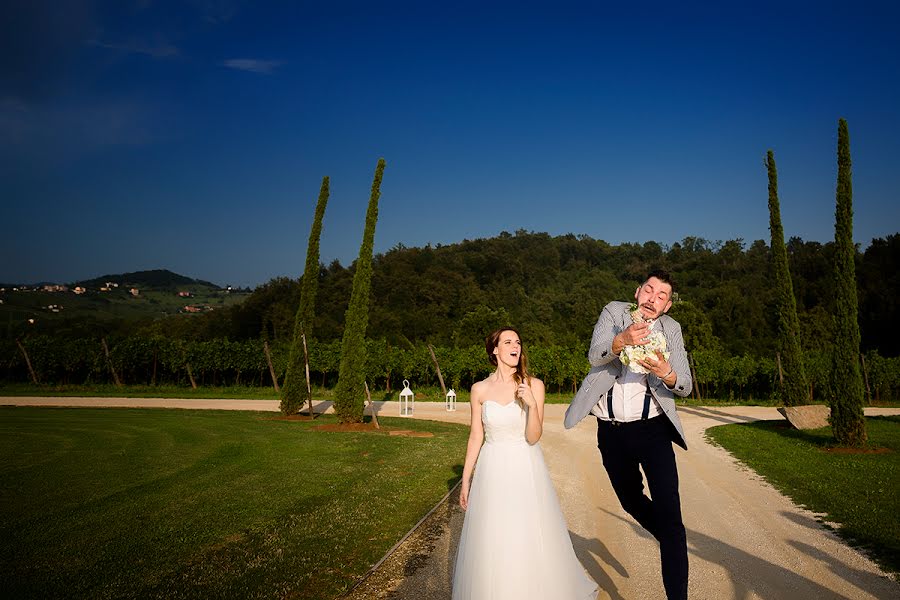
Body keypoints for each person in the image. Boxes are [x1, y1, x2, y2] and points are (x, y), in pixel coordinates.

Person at [564, 270, 692, 600]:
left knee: (671, 514)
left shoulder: (672, 329)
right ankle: (672, 537)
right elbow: (595, 355)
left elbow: (685, 385)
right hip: (612, 433)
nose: (653, 297)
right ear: (637, 293)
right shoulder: (614, 312)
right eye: (649, 290)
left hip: (654, 432)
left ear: (666, 307)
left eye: (661, 295)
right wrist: (622, 341)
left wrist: (667, 373)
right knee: (631, 500)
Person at [452, 328, 598, 600]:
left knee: (524, 531)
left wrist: (531, 405)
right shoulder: (479, 389)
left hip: (524, 465)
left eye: (518, 342)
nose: (515, 346)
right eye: (507, 342)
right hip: (492, 467)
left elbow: (534, 437)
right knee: (493, 533)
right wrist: (466, 477)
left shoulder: (534, 385)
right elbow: (476, 435)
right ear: (494, 350)